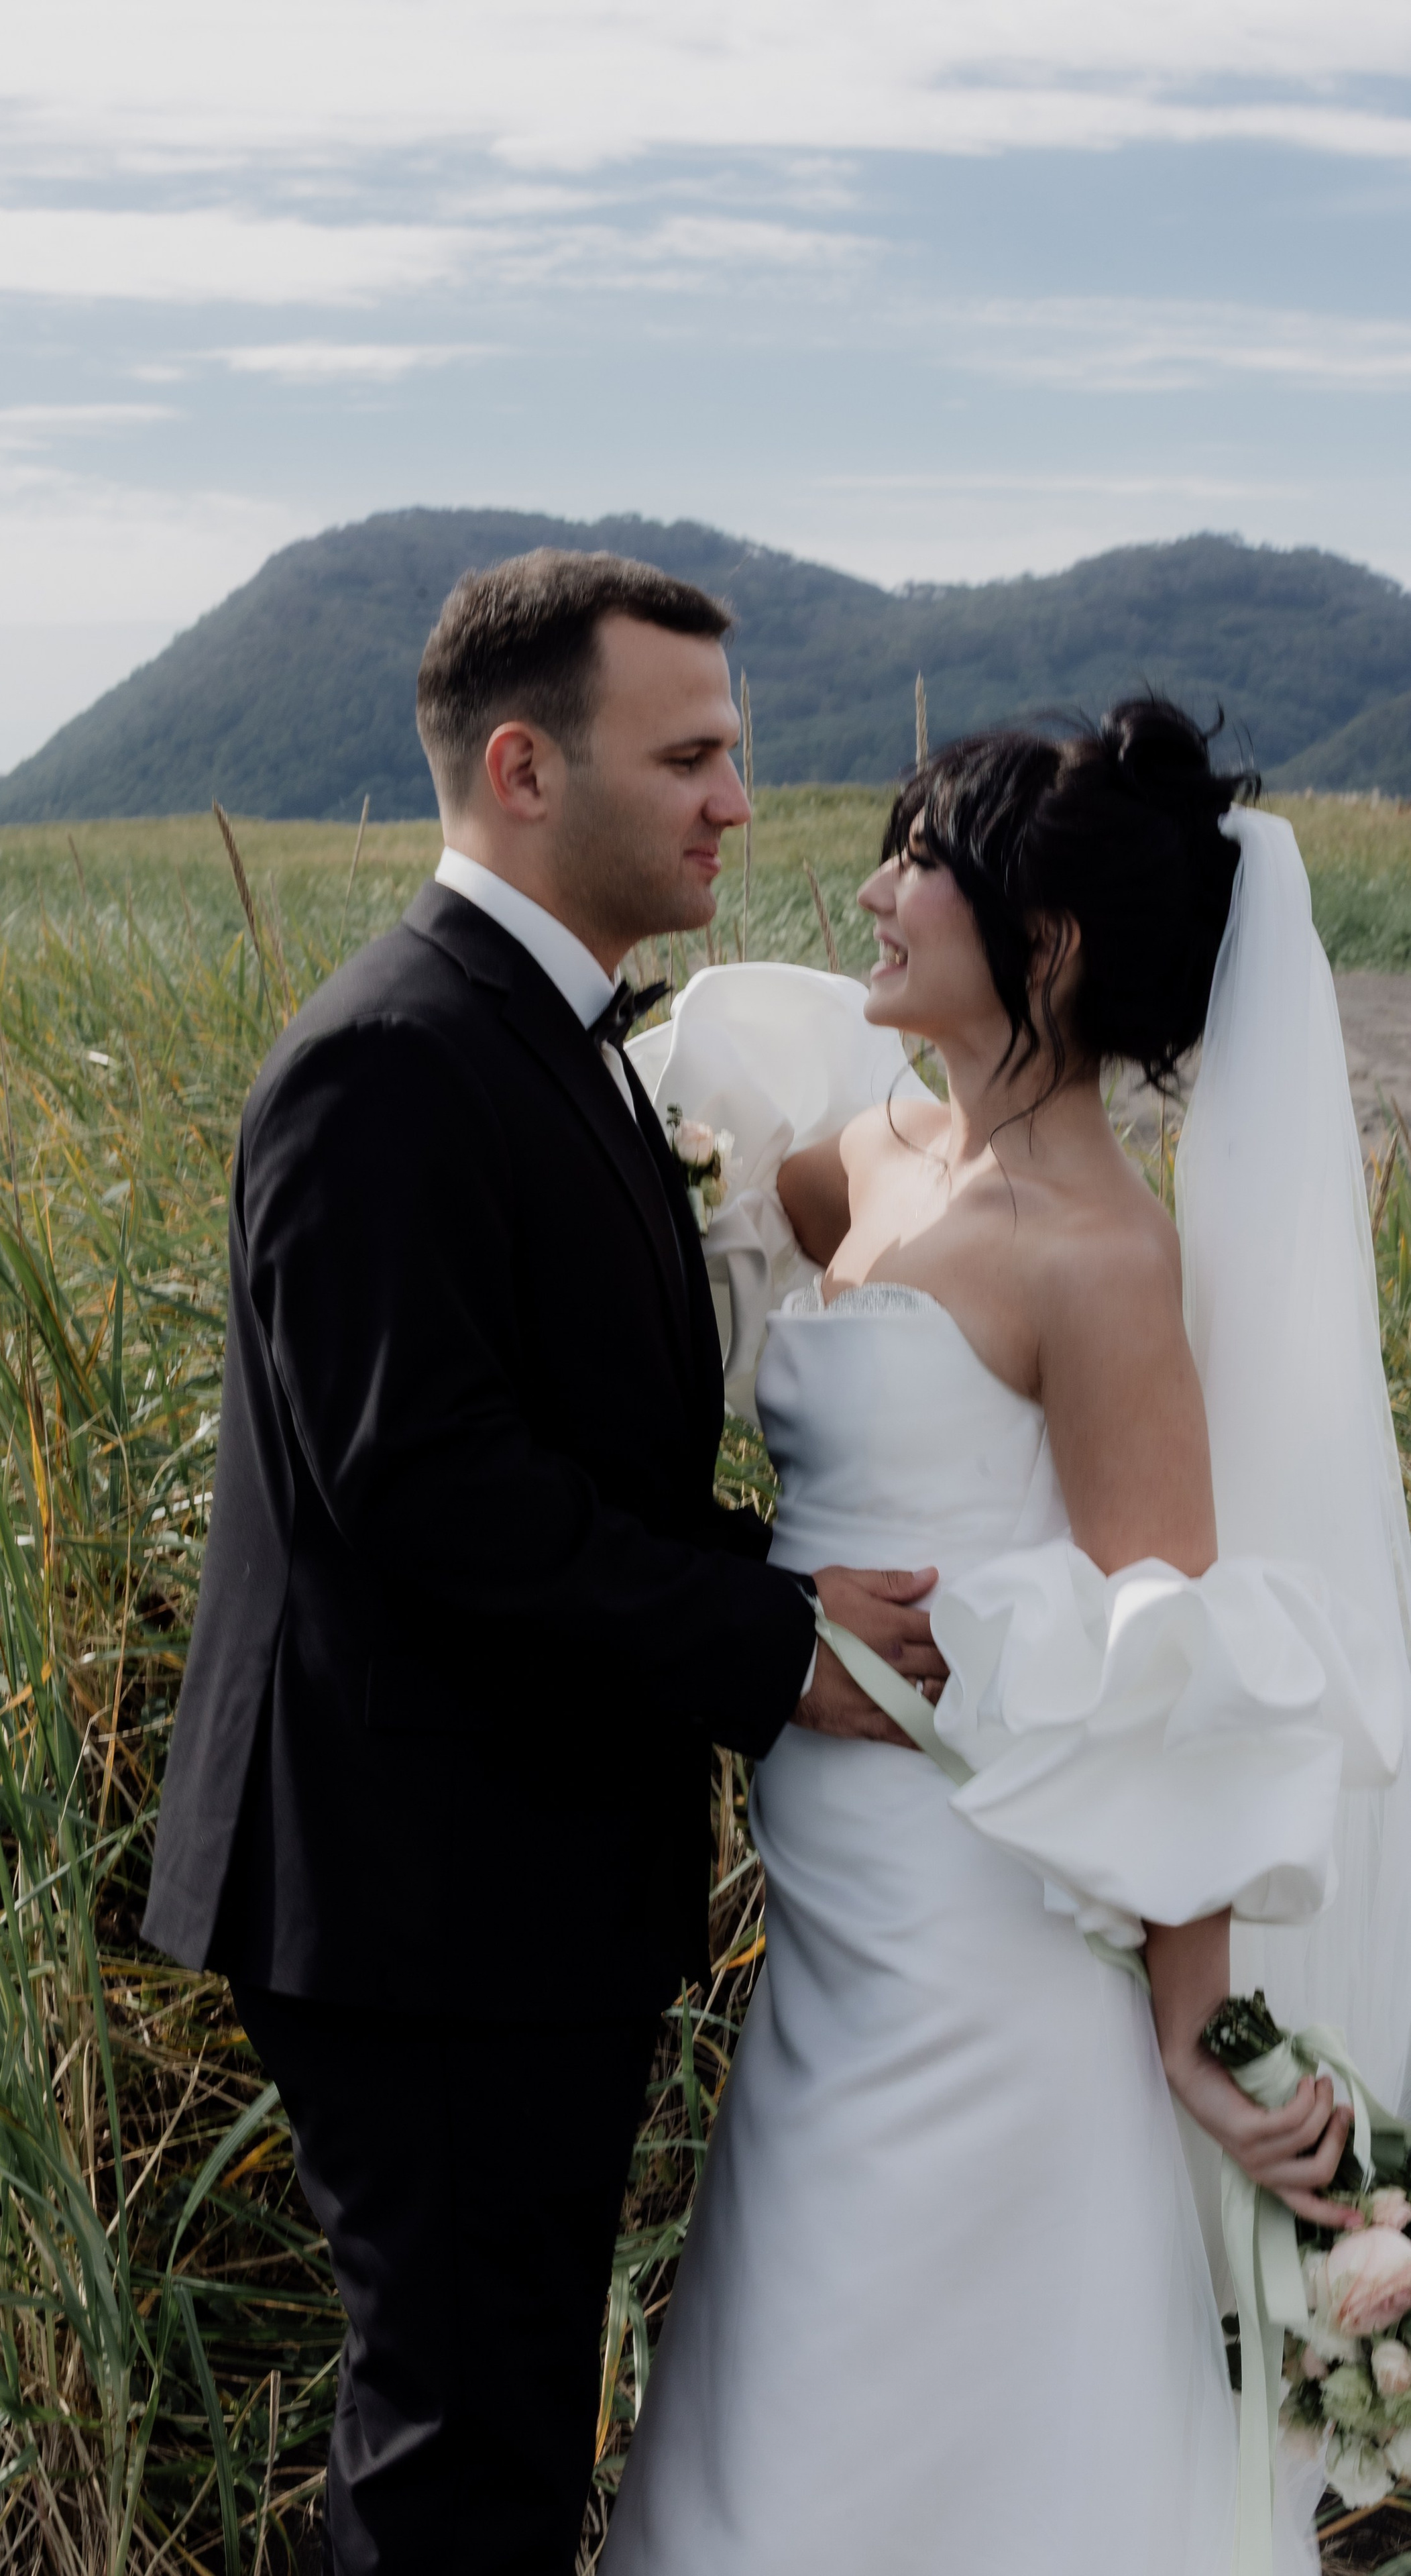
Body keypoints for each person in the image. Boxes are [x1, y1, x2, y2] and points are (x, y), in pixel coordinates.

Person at [142, 549, 947, 2574]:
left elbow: (568, 1446)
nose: (735, 803)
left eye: (734, 753)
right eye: (687, 755)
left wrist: (785, 1578)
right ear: (521, 767)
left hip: (496, 1879)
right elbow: (422, 1484)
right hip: (413, 1896)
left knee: (485, 2440)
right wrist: (764, 1641)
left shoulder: (545, 1033)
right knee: (455, 2464)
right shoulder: (389, 1060)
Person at [600, 703, 1411, 2575]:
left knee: (907, 2400)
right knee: (786, 2361)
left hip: (982, 1939)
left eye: (917, 864)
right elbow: (731, 1306)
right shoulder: (863, 1158)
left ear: (1042, 947)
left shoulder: (1097, 1258)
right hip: (835, 1927)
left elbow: (1175, 1664)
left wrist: (1201, 2029)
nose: (872, 892)